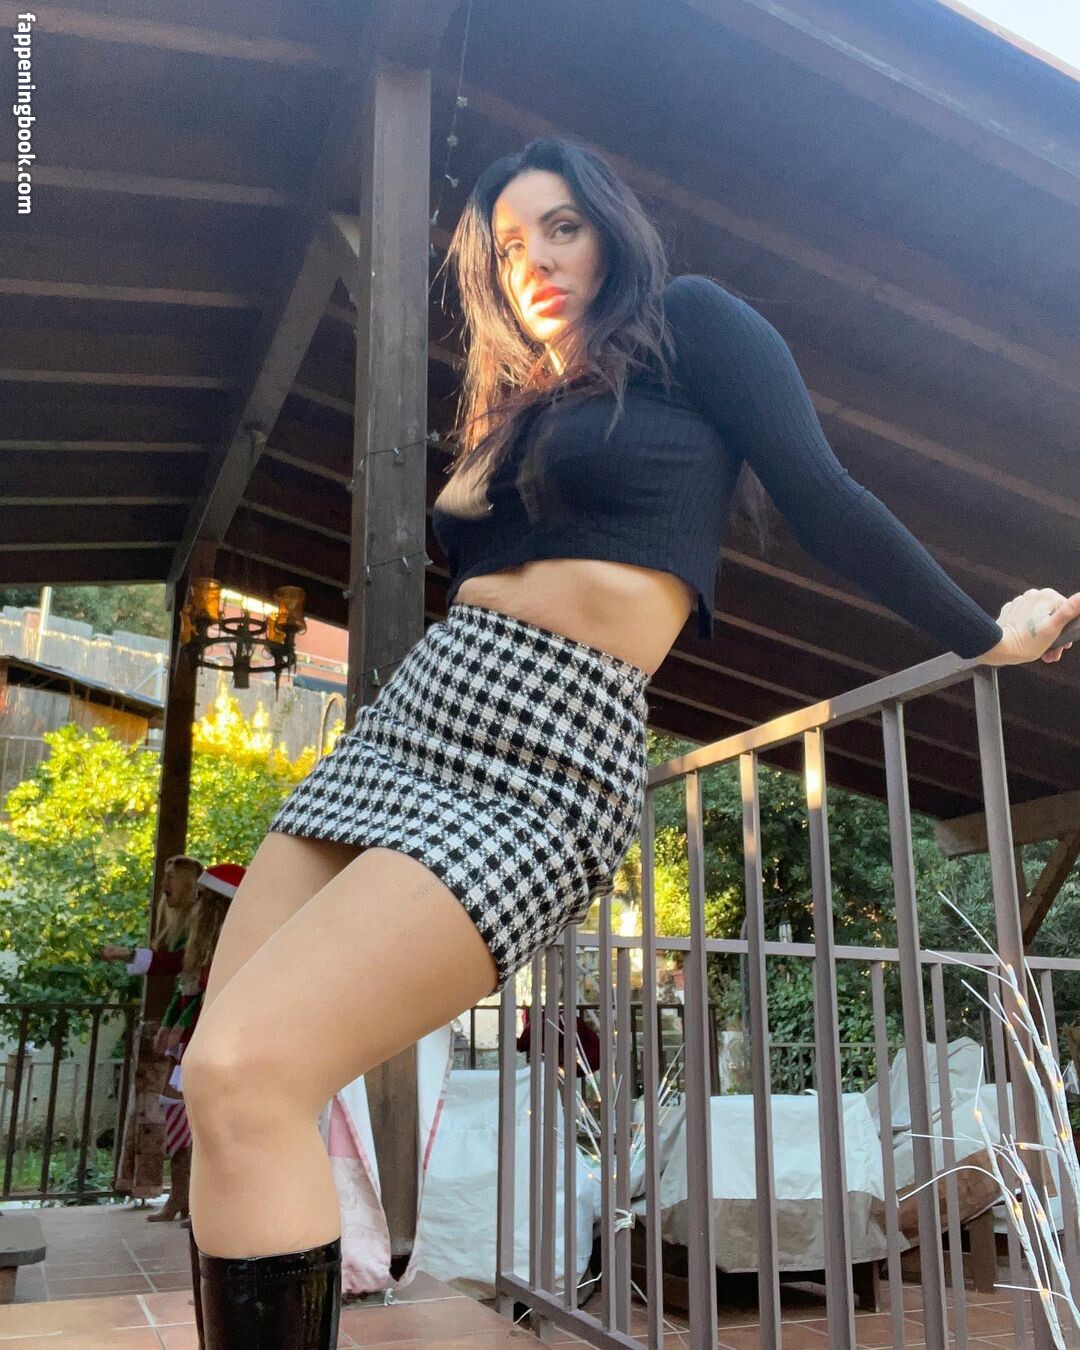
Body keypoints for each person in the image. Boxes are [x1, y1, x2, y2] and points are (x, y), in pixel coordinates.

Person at [181, 136, 1080, 1348]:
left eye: (562, 227)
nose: (537, 262)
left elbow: (828, 501)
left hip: (548, 748)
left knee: (250, 1067)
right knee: (219, 1082)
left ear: (610, 227)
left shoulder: (692, 327)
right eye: (509, 248)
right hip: (408, 727)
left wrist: (985, 636)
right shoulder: (513, 400)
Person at [101, 853, 203, 1222]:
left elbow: (201, 984)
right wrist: (169, 1023)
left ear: (190, 884)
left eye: (171, 877)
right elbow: (184, 983)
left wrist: (180, 1024)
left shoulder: (207, 928)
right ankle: (180, 1197)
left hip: (201, 1033)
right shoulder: (187, 927)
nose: (164, 886)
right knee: (177, 1111)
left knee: (191, 1115)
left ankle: (193, 1200)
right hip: (187, 1033)